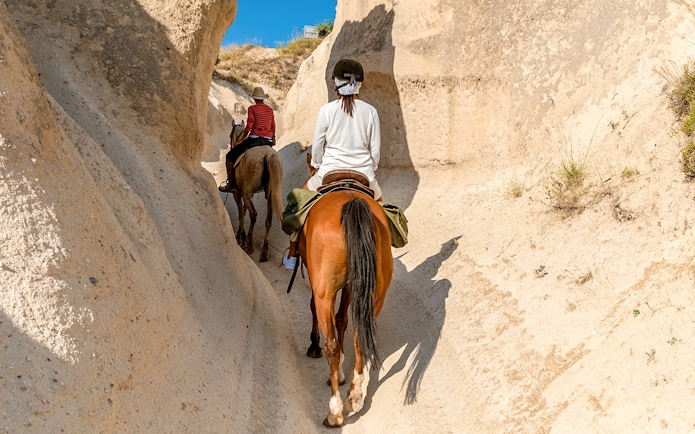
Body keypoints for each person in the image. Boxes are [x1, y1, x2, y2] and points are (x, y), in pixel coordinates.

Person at [282, 58, 383, 269]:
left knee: (298, 206)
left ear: (336, 83)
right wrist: (369, 169)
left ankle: (292, 255)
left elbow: (318, 144)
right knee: (384, 216)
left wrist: (317, 163)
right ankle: (383, 255)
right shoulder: (371, 111)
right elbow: (375, 150)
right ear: (359, 84)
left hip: (328, 172)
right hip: (364, 174)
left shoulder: (327, 110)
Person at [219, 86, 276, 192]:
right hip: (268, 140)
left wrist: (241, 140)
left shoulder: (252, 109)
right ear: (263, 98)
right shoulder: (270, 110)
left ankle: (231, 184)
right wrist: (272, 137)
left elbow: (249, 126)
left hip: (255, 139)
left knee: (230, 157)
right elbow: (273, 126)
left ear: (254, 99)